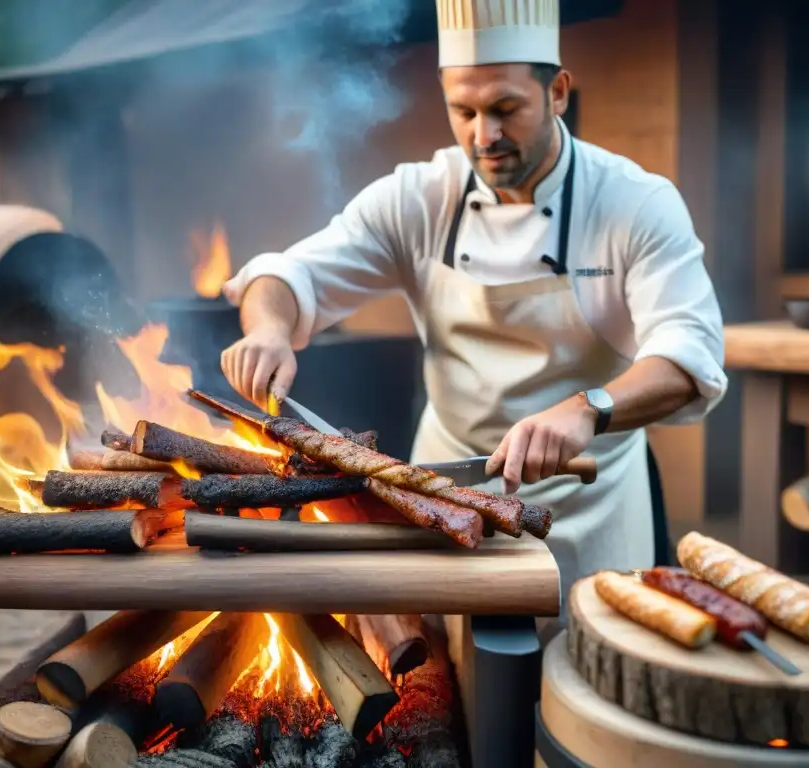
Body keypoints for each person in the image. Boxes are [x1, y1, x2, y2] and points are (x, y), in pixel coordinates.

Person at [221, 0, 727, 620]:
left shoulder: (635, 203)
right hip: (449, 498)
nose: (482, 135)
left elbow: (688, 355)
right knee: (453, 692)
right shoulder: (418, 198)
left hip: (589, 499)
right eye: (463, 111)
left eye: (505, 109)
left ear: (558, 92)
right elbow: (283, 274)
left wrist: (587, 408)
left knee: (583, 687)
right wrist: (269, 330)